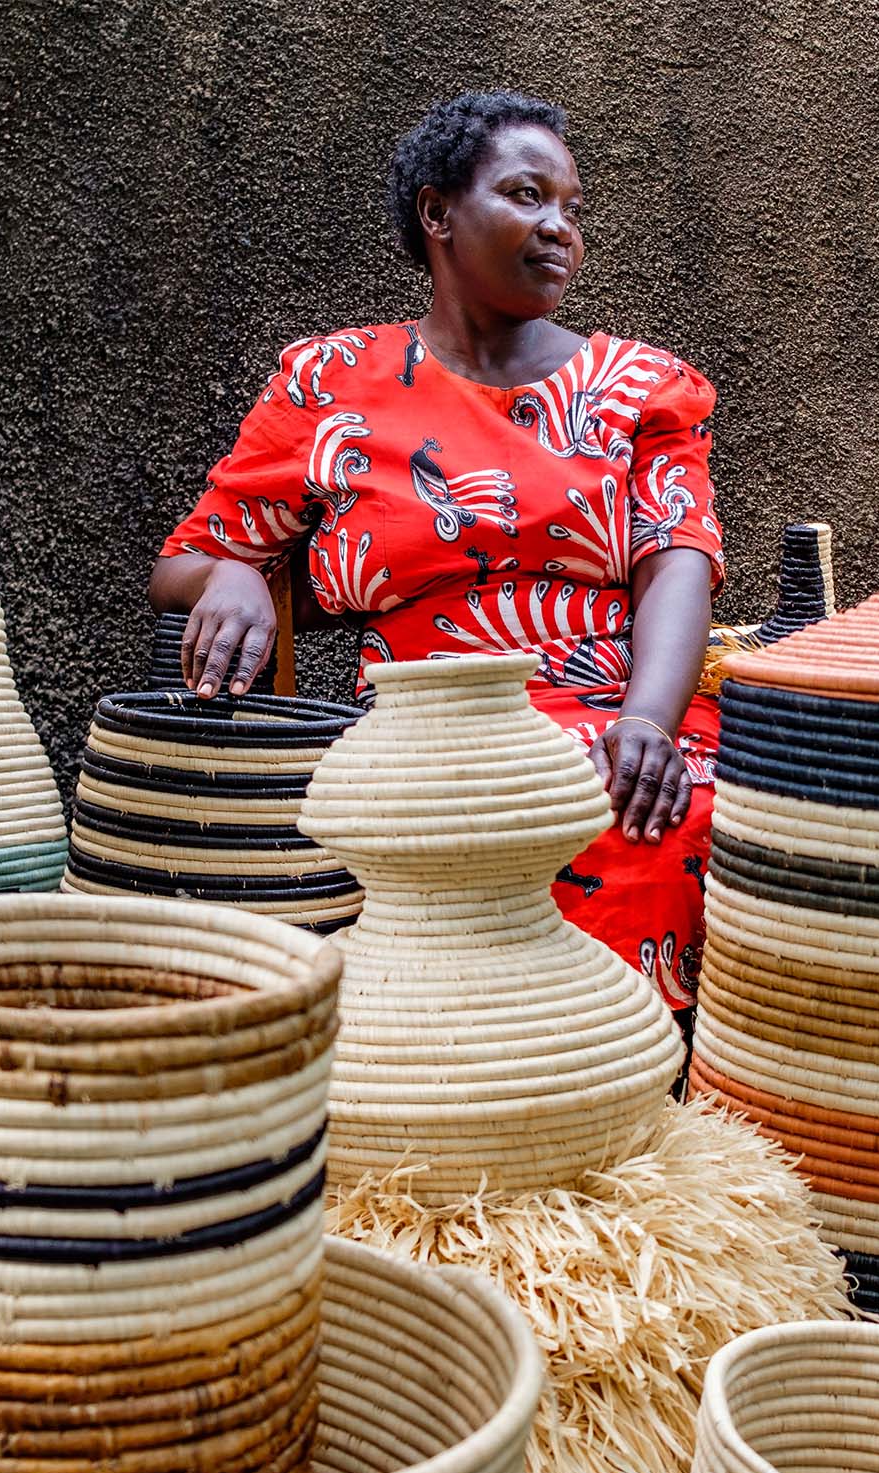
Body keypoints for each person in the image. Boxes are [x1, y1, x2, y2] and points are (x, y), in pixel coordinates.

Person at [151, 90, 726, 1017]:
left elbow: (679, 560)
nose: (560, 229)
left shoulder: (638, 386)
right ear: (437, 214)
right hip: (418, 729)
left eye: (572, 210)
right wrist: (236, 570)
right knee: (505, 819)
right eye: (528, 195)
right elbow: (181, 559)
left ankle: (639, 1101)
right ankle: (473, 1097)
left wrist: (649, 722)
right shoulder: (333, 381)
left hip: (617, 707)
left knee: (697, 809)